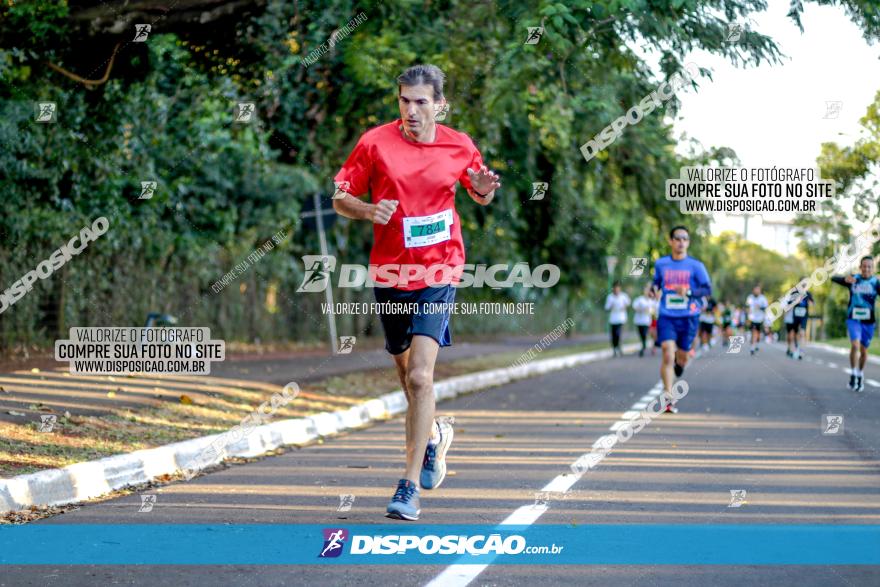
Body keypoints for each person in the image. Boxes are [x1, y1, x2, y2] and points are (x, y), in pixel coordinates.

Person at [332, 64, 501, 520]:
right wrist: (369, 209)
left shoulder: (459, 145)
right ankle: (435, 437)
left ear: (439, 105)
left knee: (423, 377)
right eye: (405, 100)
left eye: (421, 101)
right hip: (390, 273)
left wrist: (483, 191)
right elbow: (340, 197)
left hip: (440, 270)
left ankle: (408, 486)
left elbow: (478, 188)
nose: (411, 109)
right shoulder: (374, 142)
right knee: (407, 373)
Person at [650, 226, 712, 413]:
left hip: (689, 317)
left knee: (682, 356)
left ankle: (680, 363)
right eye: (677, 238)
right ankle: (668, 397)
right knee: (667, 352)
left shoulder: (696, 266)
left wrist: (690, 292)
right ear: (671, 241)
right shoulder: (661, 264)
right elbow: (656, 283)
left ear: (688, 242)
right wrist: (652, 290)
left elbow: (707, 290)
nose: (681, 242)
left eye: (685, 238)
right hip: (667, 315)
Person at [831, 256, 880, 392]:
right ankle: (853, 373)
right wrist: (845, 278)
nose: (866, 269)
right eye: (864, 266)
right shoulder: (854, 279)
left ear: (873, 268)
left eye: (869, 266)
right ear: (860, 267)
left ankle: (860, 374)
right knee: (855, 345)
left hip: (868, 322)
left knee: (864, 351)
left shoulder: (876, 283)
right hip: (853, 319)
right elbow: (833, 278)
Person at [782, 282, 814, 359]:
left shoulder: (808, 294)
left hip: (804, 316)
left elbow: (812, 303)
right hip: (795, 317)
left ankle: (801, 351)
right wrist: (796, 301)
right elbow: (788, 305)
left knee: (802, 333)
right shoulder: (795, 293)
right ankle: (794, 348)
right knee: (795, 334)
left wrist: (810, 303)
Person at [605, 281, 631, 357]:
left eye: (618, 288)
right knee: (613, 335)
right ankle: (615, 348)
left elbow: (628, 304)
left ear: (620, 288)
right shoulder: (610, 297)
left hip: (621, 318)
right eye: (615, 288)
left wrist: (624, 307)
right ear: (613, 289)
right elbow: (606, 308)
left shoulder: (623, 296)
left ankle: (619, 347)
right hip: (613, 319)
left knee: (618, 333)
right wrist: (611, 306)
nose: (616, 289)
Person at [632, 284, 657, 357]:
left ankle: (643, 346)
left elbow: (653, 311)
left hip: (646, 321)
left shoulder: (651, 301)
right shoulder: (639, 299)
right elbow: (635, 307)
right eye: (645, 290)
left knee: (645, 334)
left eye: (648, 291)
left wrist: (649, 311)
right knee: (641, 335)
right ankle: (643, 344)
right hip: (638, 321)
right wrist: (641, 309)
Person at [746, 285, 769, 355]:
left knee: (758, 334)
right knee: (754, 331)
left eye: (758, 290)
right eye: (755, 289)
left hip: (760, 318)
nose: (757, 291)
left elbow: (766, 309)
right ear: (753, 290)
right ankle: (752, 347)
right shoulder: (750, 298)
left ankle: (756, 343)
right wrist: (748, 313)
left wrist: (760, 307)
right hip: (752, 318)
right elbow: (747, 307)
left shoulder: (763, 298)